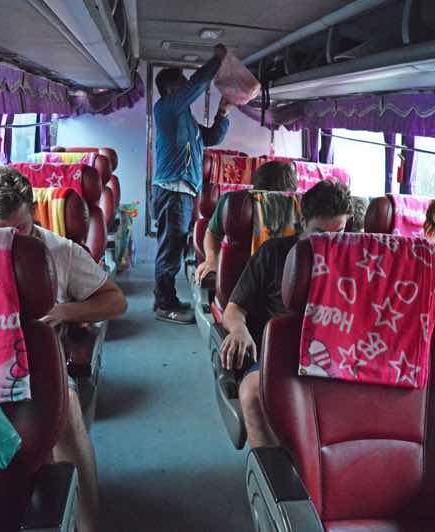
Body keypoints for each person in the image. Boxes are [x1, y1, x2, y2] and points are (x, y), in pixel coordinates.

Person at [0, 166, 127, 532]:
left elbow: (116, 302)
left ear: (33, 214)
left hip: (41, 369)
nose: (9, 241)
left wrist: (64, 311)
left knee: (68, 410)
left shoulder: (59, 251)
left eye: (20, 231)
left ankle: (88, 522)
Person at [219, 181, 352, 448]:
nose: (328, 244)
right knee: (253, 392)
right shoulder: (273, 254)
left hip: (336, 356)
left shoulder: (356, 259)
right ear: (303, 222)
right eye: (319, 234)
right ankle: (273, 479)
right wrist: (238, 330)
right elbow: (234, 309)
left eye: (337, 233)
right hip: (279, 356)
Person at [152, 44, 232, 324]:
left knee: (172, 246)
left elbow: (210, 138)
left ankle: (166, 298)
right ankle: (164, 304)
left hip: (183, 192)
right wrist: (217, 62)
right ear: (172, 89)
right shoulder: (166, 110)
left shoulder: (184, 118)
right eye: (182, 84)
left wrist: (223, 113)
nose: (187, 88)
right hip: (172, 192)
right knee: (170, 248)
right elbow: (197, 86)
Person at [194, 160, 298, 283]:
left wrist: (211, 259)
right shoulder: (303, 208)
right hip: (289, 281)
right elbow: (211, 233)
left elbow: (211, 234)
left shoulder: (234, 202)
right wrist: (212, 260)